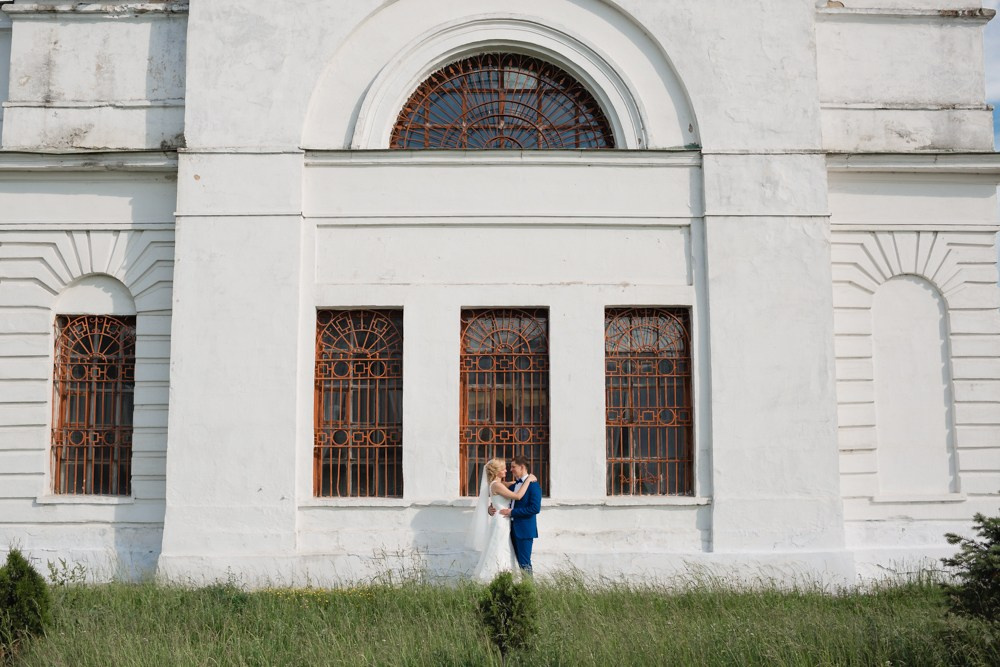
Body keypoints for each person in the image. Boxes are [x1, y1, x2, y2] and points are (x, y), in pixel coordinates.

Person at [467, 458, 536, 582]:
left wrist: (526, 479)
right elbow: (517, 496)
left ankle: (504, 578)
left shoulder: (499, 484)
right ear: (497, 471)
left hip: (505, 521)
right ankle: (493, 579)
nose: (507, 470)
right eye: (503, 468)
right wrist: (529, 480)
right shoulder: (497, 485)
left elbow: (515, 484)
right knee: (498, 549)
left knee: (505, 550)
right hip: (501, 522)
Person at [496, 455, 541, 575]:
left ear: (522, 467)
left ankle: (529, 591)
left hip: (525, 530)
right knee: (512, 563)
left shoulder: (533, 485)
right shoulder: (514, 485)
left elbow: (535, 508)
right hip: (510, 529)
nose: (511, 469)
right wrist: (491, 507)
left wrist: (512, 512)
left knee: (524, 563)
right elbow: (497, 493)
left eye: (513, 467)